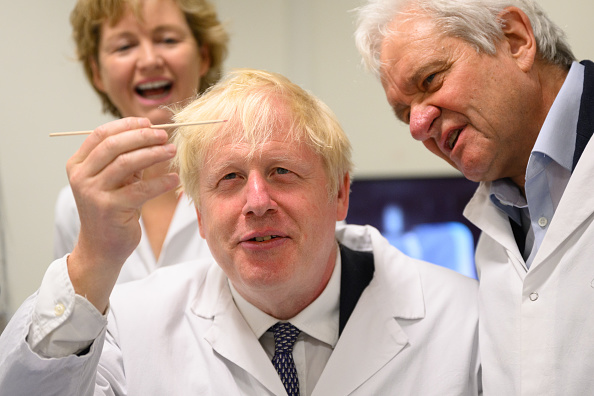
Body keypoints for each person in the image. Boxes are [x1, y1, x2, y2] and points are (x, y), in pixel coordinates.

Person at [0, 69, 480, 395]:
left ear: (340, 194)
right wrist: (92, 259)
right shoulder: (131, 326)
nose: (256, 202)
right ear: (202, 217)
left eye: (281, 171)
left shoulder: (463, 318)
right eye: (229, 178)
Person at [354, 0, 594, 393]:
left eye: (431, 79)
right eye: (403, 114)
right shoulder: (497, 220)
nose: (417, 127)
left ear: (516, 40)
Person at [53, 0, 228, 282]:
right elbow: (70, 322)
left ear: (203, 56)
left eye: (168, 39)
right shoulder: (77, 204)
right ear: (98, 72)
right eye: (124, 46)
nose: (149, 60)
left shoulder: (250, 186)